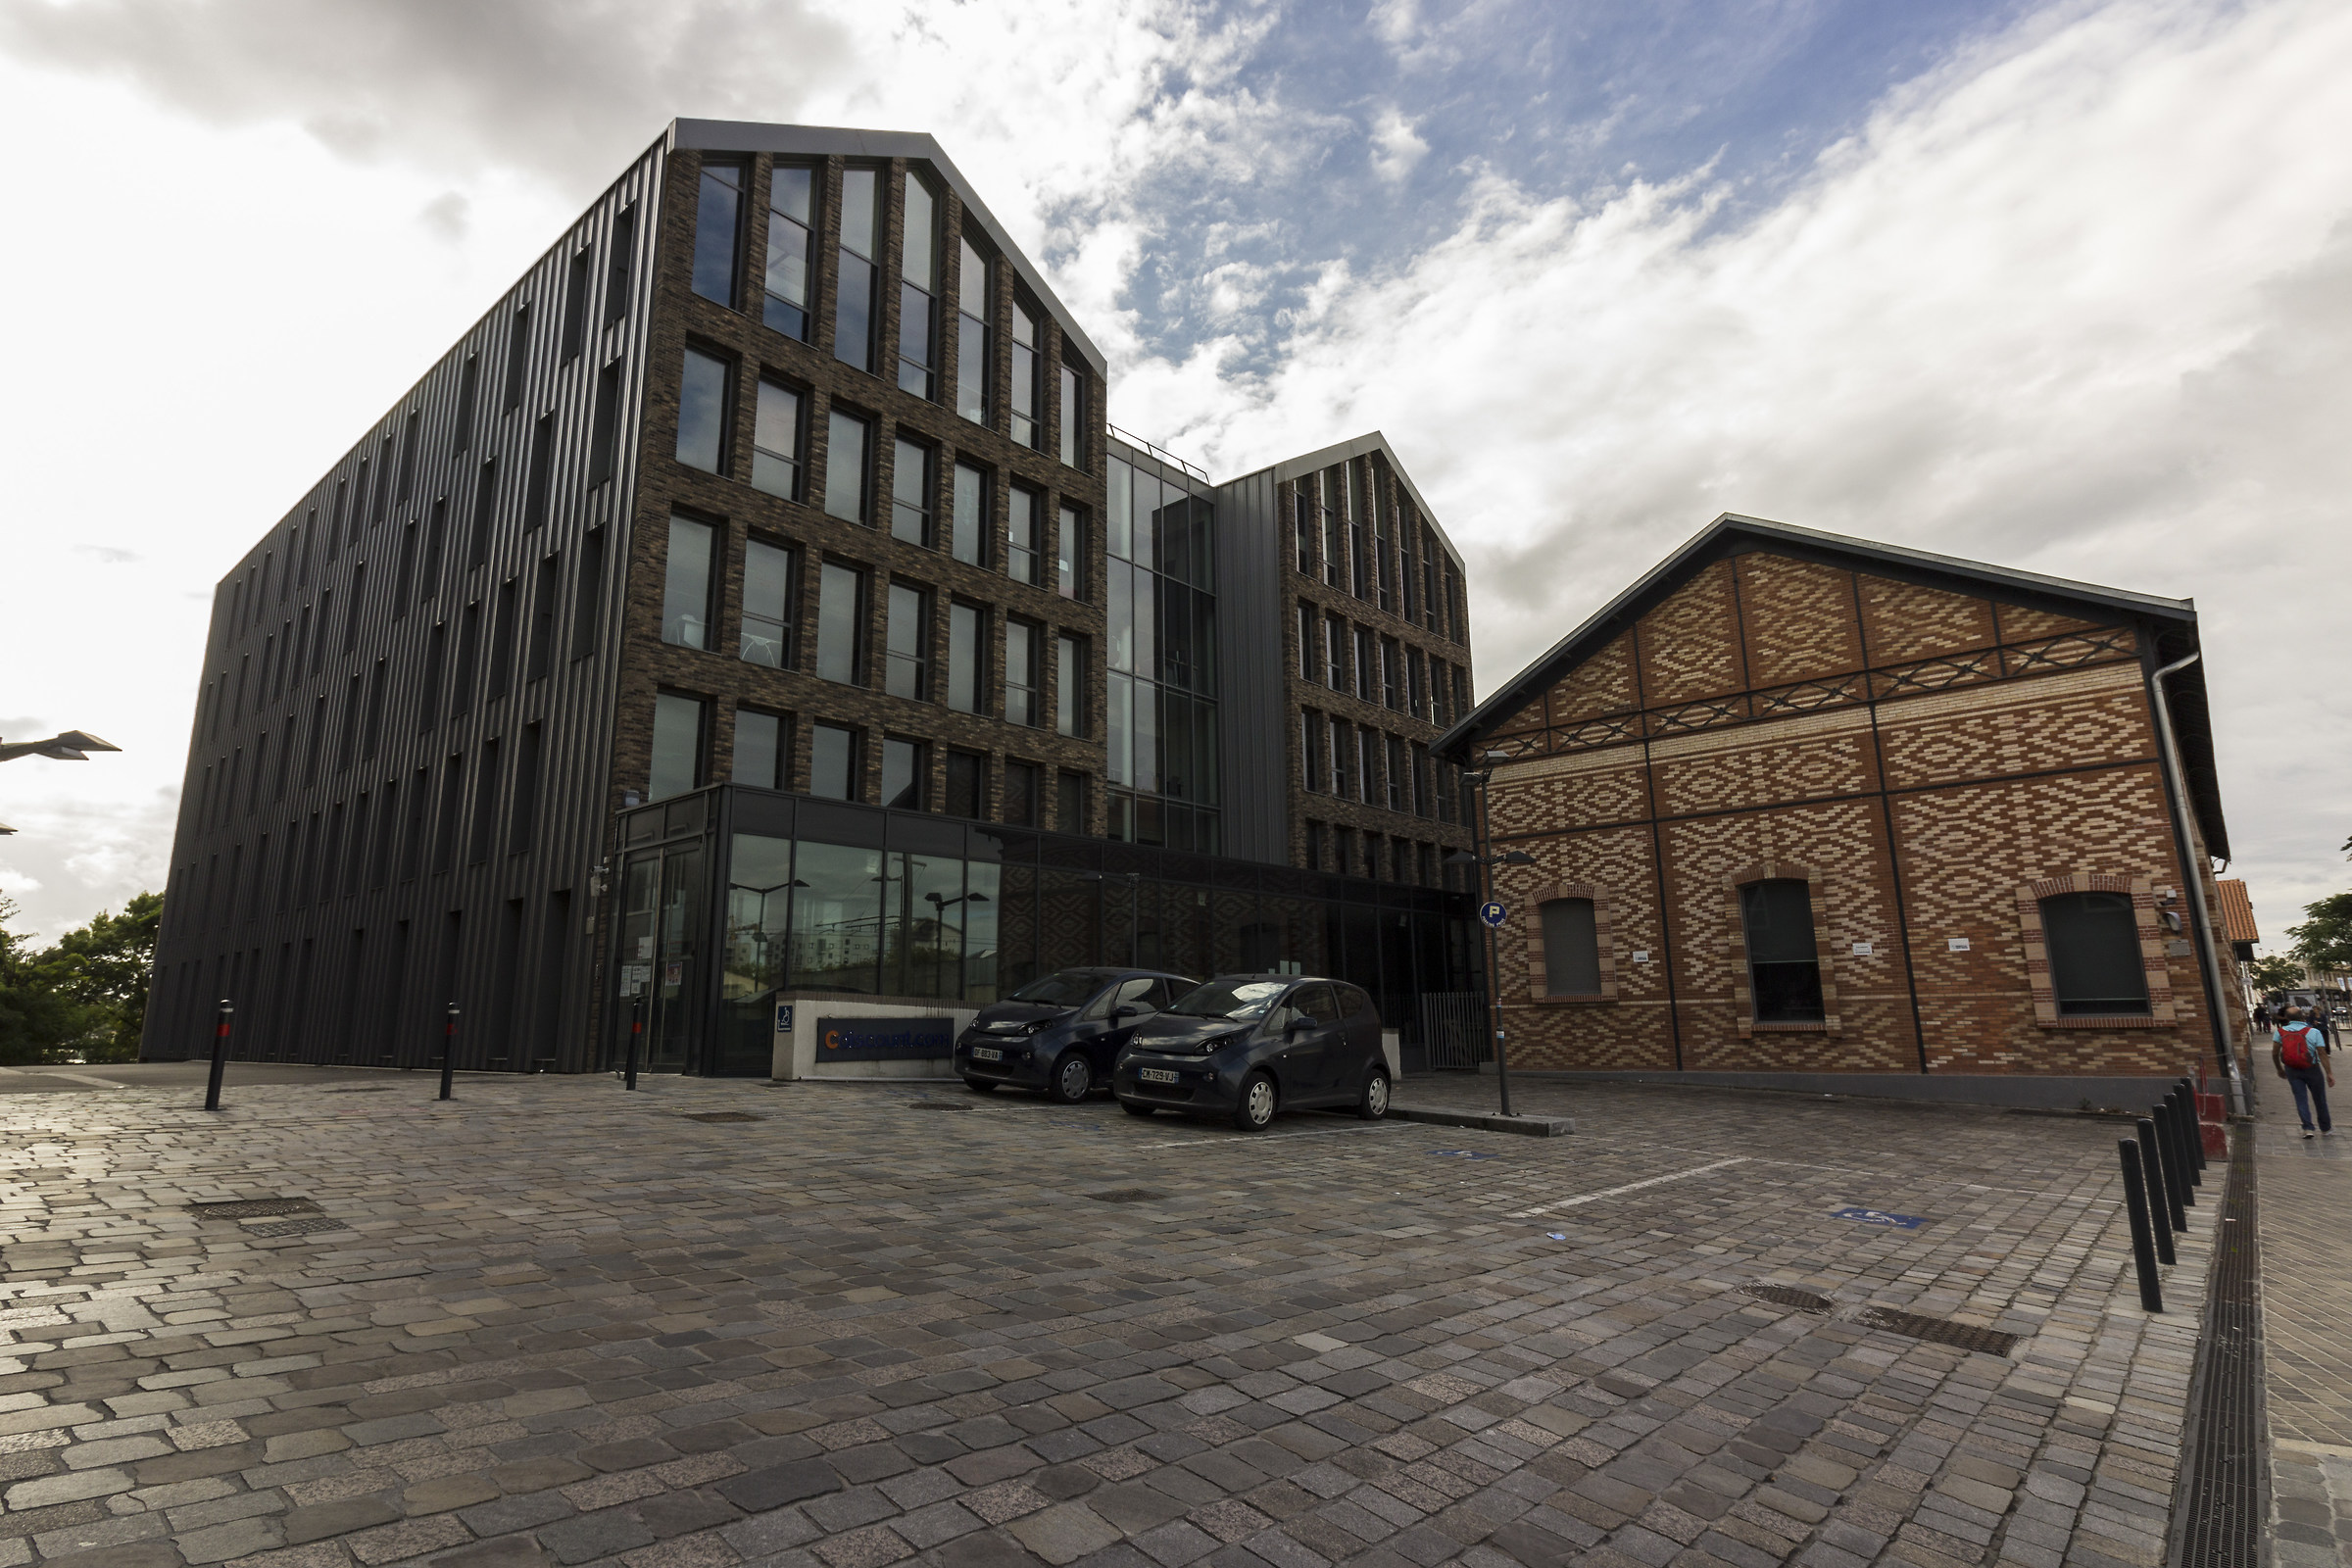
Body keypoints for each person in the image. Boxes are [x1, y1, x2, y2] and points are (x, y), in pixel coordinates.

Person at [2274, 1006, 2335, 1139]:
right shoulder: (2313, 1032)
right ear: (2303, 1016)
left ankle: (2307, 1128)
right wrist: (2329, 1073)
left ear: (2287, 1018)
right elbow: (2322, 1053)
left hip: (2292, 1069)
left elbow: (2275, 1053)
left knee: (2300, 1098)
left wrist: (2279, 1068)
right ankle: (2325, 1128)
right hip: (2313, 1069)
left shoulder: (2280, 1032)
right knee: (2320, 1099)